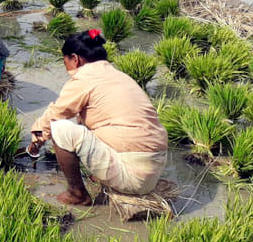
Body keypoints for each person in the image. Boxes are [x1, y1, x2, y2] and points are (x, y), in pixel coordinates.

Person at [27, 30, 168, 206]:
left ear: (75, 58)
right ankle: (104, 174)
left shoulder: (84, 79)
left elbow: (55, 116)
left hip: (133, 176)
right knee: (87, 122)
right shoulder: (119, 76)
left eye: (66, 63)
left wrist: (36, 141)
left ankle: (76, 194)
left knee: (60, 129)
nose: (67, 69)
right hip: (154, 168)